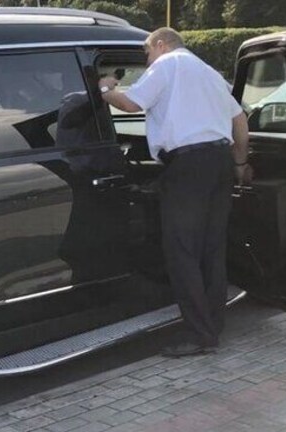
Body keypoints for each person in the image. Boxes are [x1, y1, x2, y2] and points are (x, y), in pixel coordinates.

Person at [98, 27, 252, 357]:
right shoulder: (209, 72)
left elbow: (128, 103)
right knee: (212, 249)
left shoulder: (167, 64)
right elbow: (240, 122)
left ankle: (200, 336)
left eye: (147, 52)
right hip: (219, 163)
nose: (147, 59)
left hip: (187, 169)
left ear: (161, 44)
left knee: (182, 251)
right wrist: (239, 163)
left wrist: (105, 87)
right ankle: (213, 324)